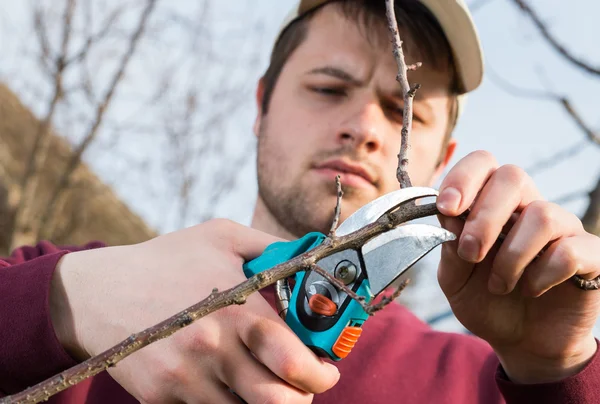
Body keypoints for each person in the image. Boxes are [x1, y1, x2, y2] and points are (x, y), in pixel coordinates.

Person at [2, 0, 600, 403]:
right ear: (262, 106)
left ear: (443, 160)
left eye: (403, 111)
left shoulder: (484, 385)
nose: (365, 126)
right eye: (328, 88)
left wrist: (561, 373)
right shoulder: (64, 279)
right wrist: (66, 300)